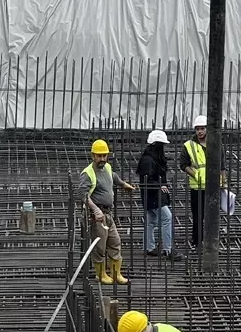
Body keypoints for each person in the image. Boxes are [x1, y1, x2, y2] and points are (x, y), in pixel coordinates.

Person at [80, 139, 136, 285]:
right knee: (100, 247)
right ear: (93, 156)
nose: (102, 159)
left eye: (104, 155)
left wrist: (124, 185)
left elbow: (114, 177)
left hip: (108, 214)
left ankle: (116, 274)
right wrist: (95, 209)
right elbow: (83, 195)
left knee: (115, 242)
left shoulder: (108, 168)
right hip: (96, 217)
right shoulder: (88, 173)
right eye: (99, 156)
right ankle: (101, 274)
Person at [138, 129, 180, 260]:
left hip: (152, 196)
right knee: (167, 217)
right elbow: (147, 179)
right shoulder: (148, 160)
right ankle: (168, 250)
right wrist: (159, 185)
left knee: (151, 221)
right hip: (154, 196)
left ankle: (149, 247)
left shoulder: (152, 158)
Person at [181, 115, 208, 251]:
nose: (200, 131)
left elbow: (221, 165)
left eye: (202, 128)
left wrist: (223, 182)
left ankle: (209, 241)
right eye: (197, 129)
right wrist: (196, 175)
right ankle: (197, 241)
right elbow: (183, 164)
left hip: (212, 187)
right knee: (198, 216)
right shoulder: (189, 145)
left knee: (211, 216)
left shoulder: (215, 144)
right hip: (197, 187)